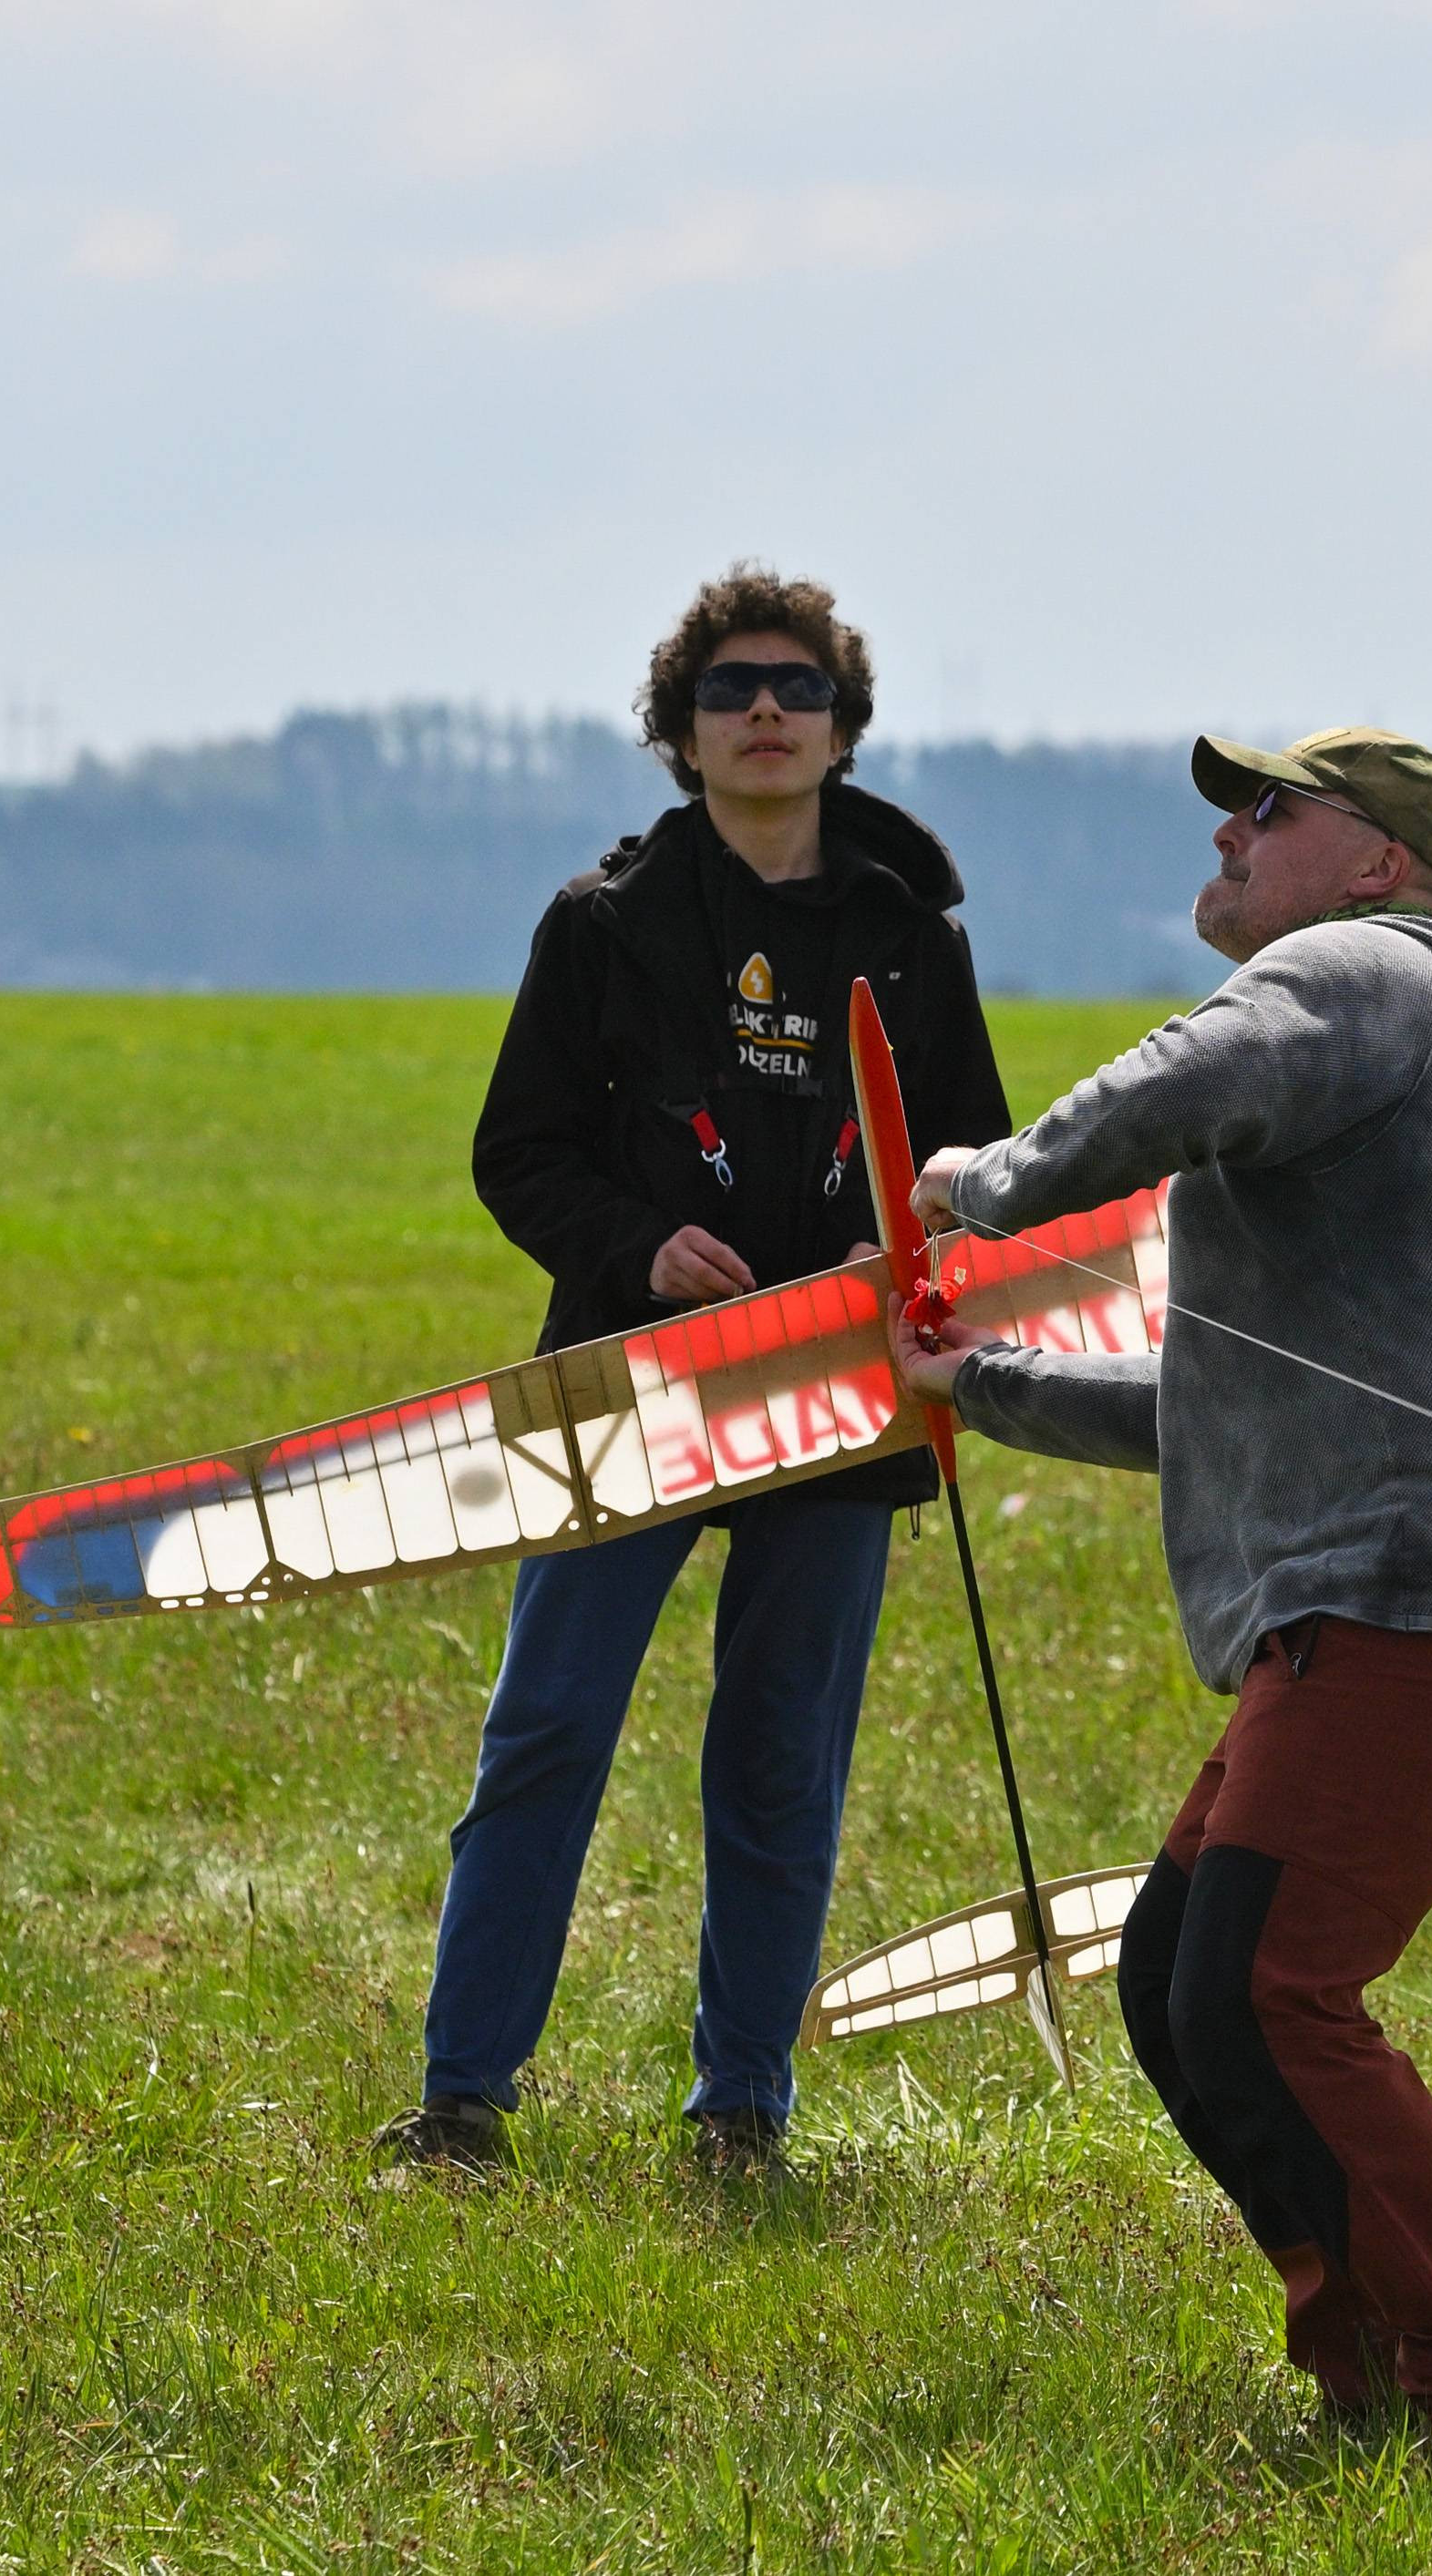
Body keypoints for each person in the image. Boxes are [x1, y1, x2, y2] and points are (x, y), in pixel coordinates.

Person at [890, 728, 1432, 2431]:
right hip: (1416, 1603)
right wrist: (980, 1382)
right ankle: (1371, 2364)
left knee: (1262, 1990)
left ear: (1380, 862)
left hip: (1429, 1599)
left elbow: (1183, 1078)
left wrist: (983, 1184)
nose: (1230, 831)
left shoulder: (1368, 968)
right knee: (1178, 1981)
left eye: (1271, 808)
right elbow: (1218, 1407)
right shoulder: (1391, 1029)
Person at [375, 565, 1010, 2173]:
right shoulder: (603, 923)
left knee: (780, 1753)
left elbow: (979, 1160)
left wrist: (904, 1243)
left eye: (798, 687)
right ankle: (462, 2098)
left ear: (843, 727)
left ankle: (742, 2108)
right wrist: (641, 1247)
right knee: (548, 1727)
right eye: (730, 689)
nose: (766, 711)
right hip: (633, 1379)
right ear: (681, 728)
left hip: (842, 1390)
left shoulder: (911, 936)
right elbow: (520, 1152)